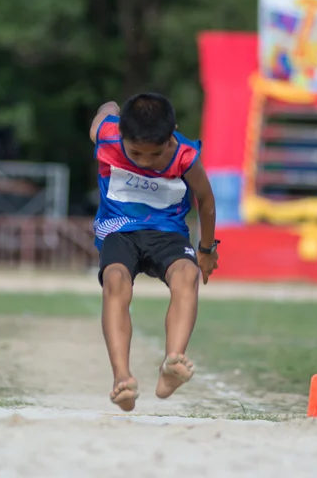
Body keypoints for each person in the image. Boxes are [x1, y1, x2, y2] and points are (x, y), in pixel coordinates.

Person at [90, 93, 219, 412]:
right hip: (120, 227)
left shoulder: (186, 156)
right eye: (136, 153)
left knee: (186, 275)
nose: (145, 162)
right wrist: (109, 107)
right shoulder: (107, 135)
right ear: (120, 133)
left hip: (168, 232)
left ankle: (172, 364)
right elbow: (101, 119)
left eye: (156, 154)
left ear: (172, 133)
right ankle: (122, 379)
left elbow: (206, 200)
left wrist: (206, 249)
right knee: (115, 280)